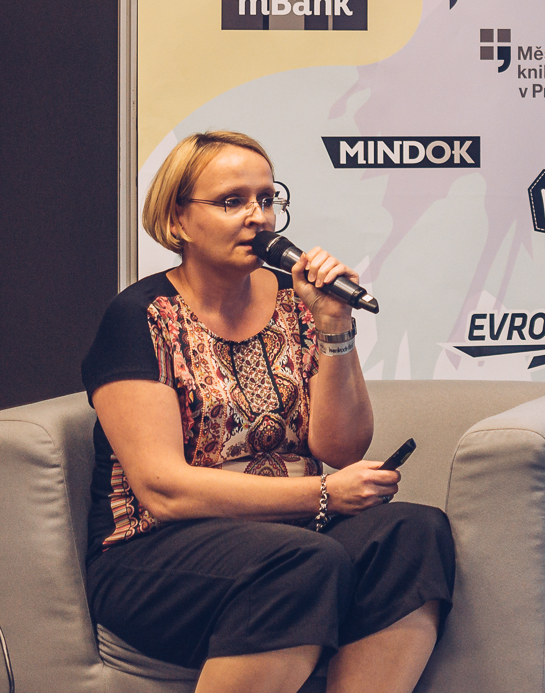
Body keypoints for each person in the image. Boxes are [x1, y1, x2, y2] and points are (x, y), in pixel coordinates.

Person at [82, 131, 454, 693]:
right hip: (154, 552)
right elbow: (164, 490)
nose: (258, 217)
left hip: (292, 536)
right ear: (178, 220)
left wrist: (334, 325)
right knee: (304, 562)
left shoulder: (294, 301)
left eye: (266, 199)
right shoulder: (141, 317)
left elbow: (341, 449)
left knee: (414, 532)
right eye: (232, 202)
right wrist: (322, 495)